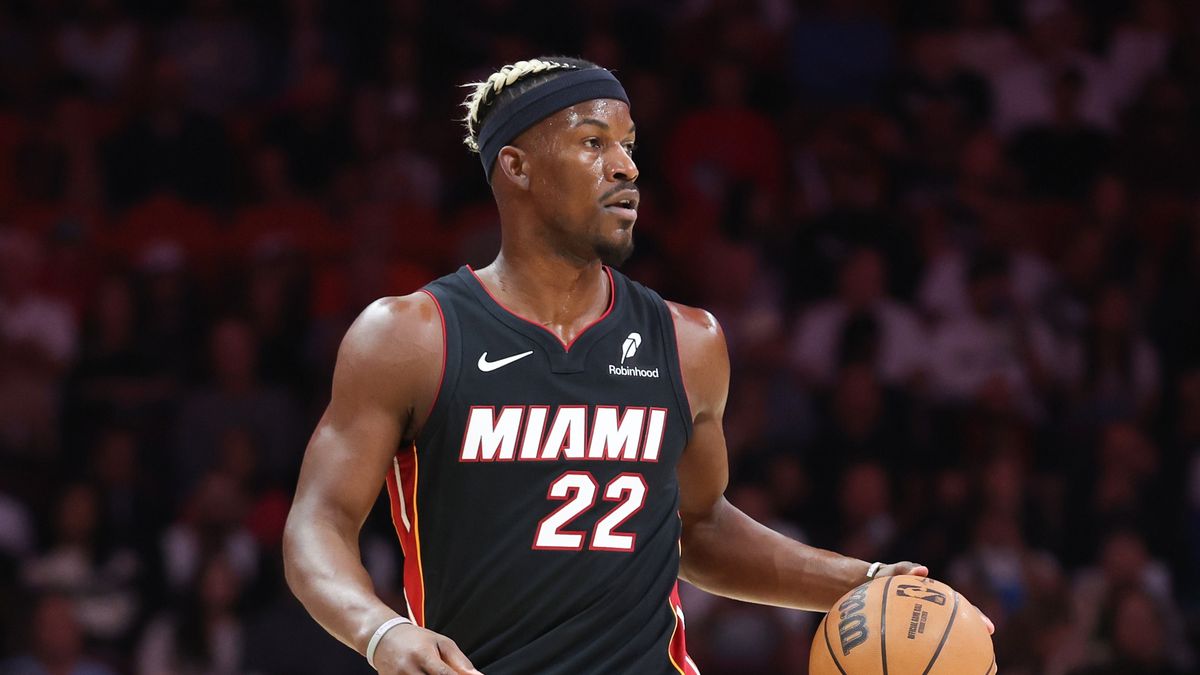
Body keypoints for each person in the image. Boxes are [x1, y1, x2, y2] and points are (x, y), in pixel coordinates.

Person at [282, 56, 990, 674]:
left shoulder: (689, 341)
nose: (626, 166)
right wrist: (380, 631)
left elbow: (699, 525)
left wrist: (863, 581)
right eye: (593, 142)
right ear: (517, 166)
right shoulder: (411, 336)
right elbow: (319, 520)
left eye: (628, 144)